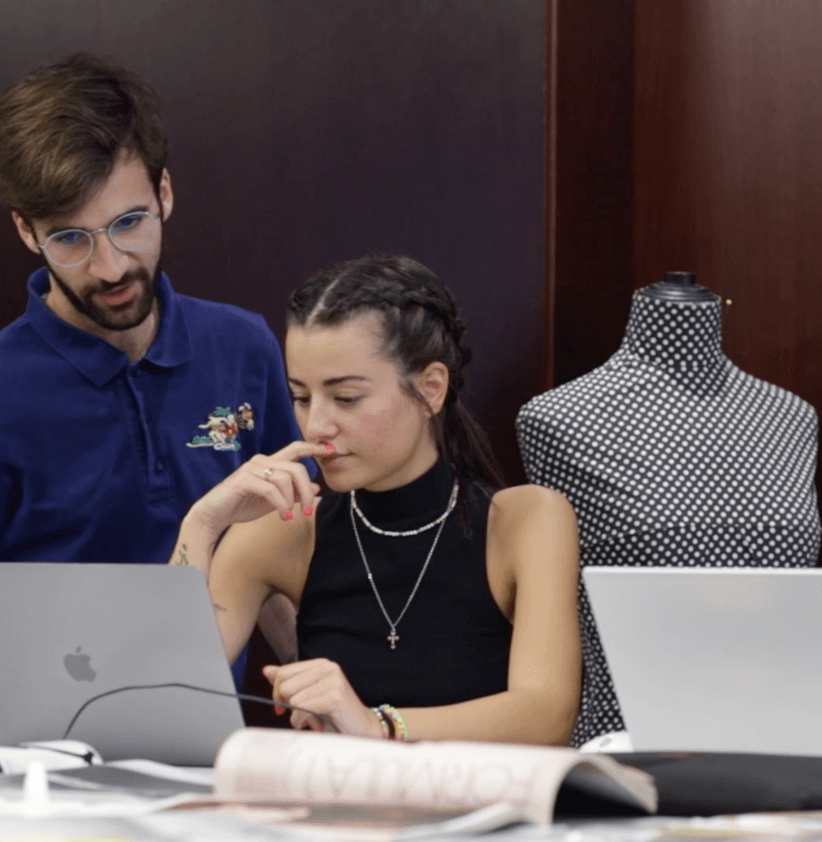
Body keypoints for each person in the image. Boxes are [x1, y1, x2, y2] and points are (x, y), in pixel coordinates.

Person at [0, 54, 302, 736]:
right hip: (25, 764)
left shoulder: (244, 347)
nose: (112, 265)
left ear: (165, 193)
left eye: (130, 223)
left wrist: (357, 711)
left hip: (204, 755)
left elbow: (284, 565)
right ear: (25, 232)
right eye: (70, 239)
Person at [171, 254, 582, 744]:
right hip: (330, 813)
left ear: (430, 389)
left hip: (481, 812)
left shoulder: (524, 521)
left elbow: (547, 714)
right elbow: (160, 698)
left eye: (346, 398)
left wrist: (378, 724)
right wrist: (202, 522)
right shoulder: (284, 530)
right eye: (301, 397)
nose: (317, 426)